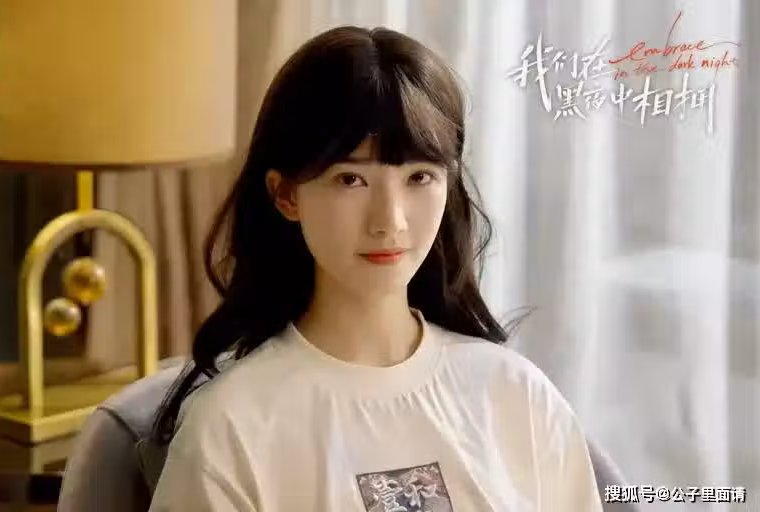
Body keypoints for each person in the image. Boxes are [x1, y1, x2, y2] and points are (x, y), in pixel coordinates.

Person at [148, 25, 603, 512]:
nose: (390, 221)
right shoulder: (230, 429)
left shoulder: (515, 395)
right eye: (351, 179)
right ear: (285, 194)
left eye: (419, 177)